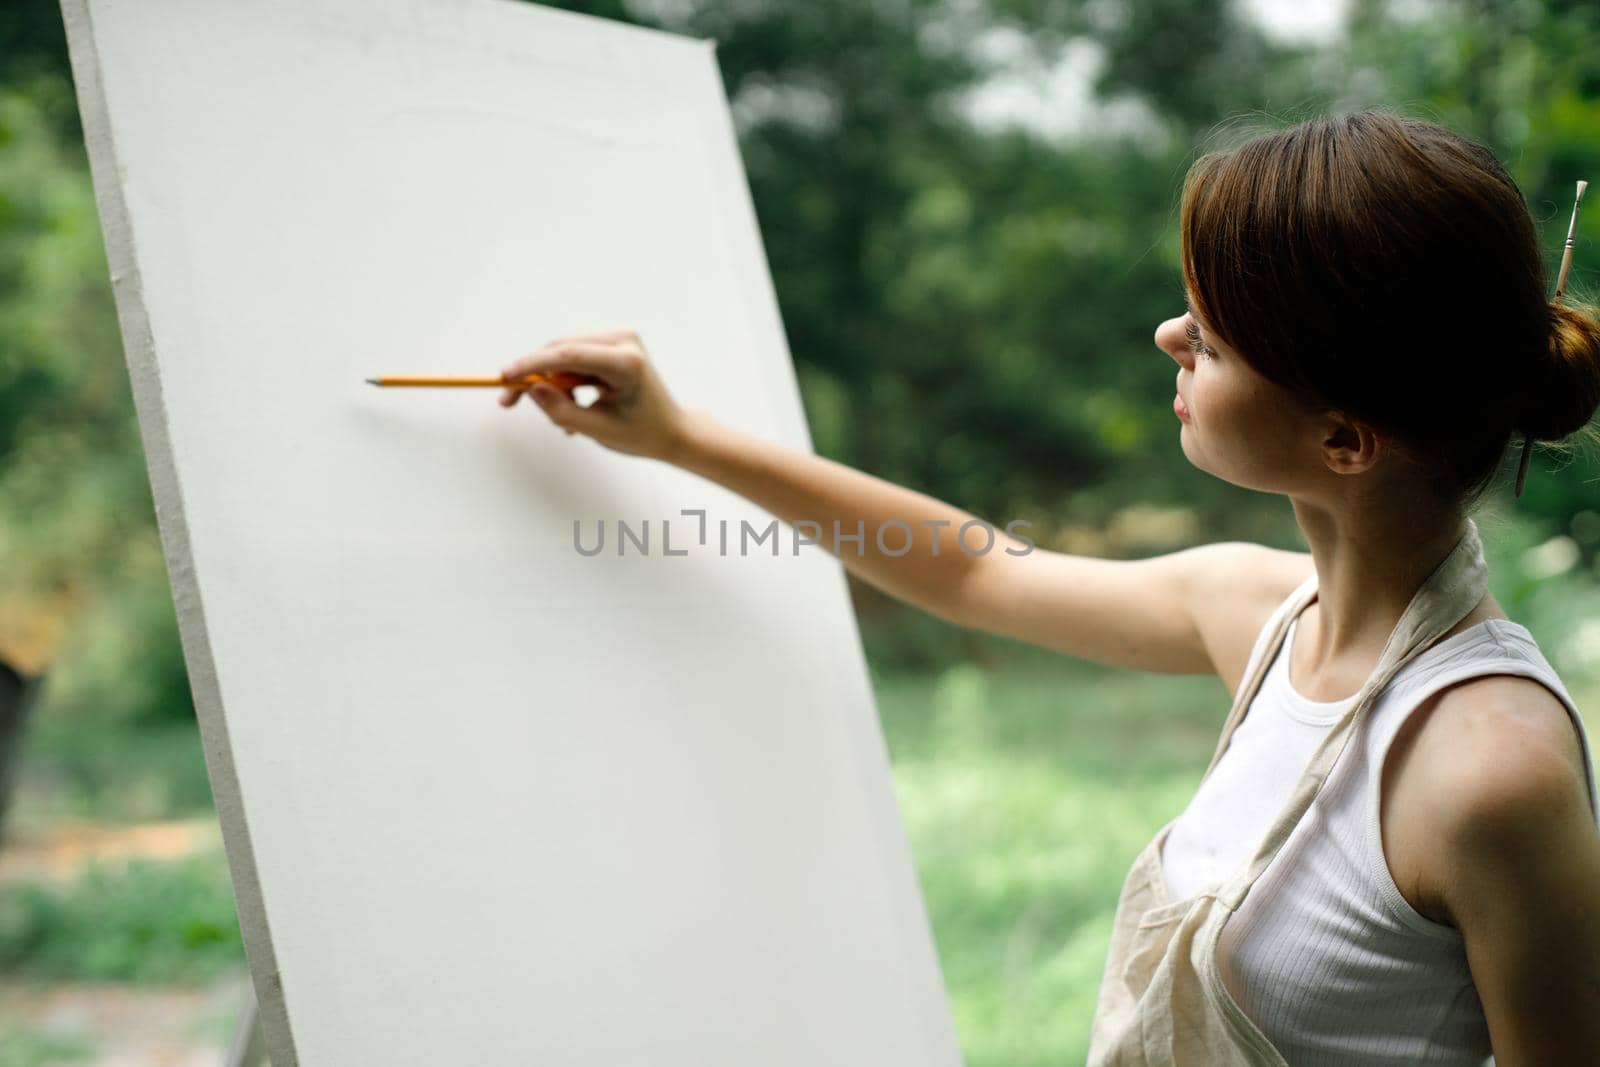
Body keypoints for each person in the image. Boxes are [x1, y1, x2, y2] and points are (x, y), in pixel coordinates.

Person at [497, 108, 1600, 1064]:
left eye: (1210, 340)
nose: (1169, 334)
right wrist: (677, 437)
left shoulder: (1488, 769)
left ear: (1345, 437)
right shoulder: (1262, 615)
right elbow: (977, 568)